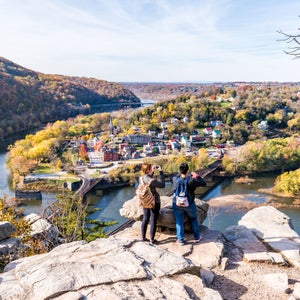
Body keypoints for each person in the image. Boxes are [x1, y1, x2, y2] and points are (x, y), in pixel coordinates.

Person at [172, 162, 206, 246]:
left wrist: (180, 173)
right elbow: (203, 183)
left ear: (180, 171)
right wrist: (196, 176)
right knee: (194, 219)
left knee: (179, 221)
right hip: (189, 204)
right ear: (188, 171)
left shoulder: (175, 179)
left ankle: (181, 240)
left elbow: (173, 177)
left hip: (177, 204)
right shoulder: (192, 181)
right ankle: (197, 237)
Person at [139, 163, 165, 245]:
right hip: (154, 202)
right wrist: (161, 172)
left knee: (145, 218)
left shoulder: (142, 178)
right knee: (153, 220)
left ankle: (143, 237)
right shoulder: (152, 181)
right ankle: (152, 240)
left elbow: (148, 181)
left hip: (145, 201)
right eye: (151, 168)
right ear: (148, 170)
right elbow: (162, 185)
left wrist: (152, 172)